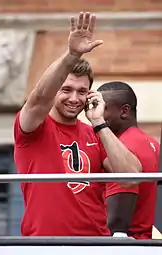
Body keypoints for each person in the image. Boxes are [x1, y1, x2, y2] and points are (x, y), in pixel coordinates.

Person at [14, 12, 141, 236]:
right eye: (66, 90)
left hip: (95, 244)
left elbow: (131, 178)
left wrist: (100, 123)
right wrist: (72, 55)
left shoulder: (95, 133)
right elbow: (40, 97)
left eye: (82, 91)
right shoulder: (33, 126)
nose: (74, 98)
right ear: (55, 91)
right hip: (44, 245)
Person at [97, 81, 160, 239]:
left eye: (102, 109)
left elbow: (117, 220)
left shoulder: (122, 149)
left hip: (129, 245)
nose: (95, 114)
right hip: (148, 241)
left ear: (124, 111)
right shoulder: (152, 143)